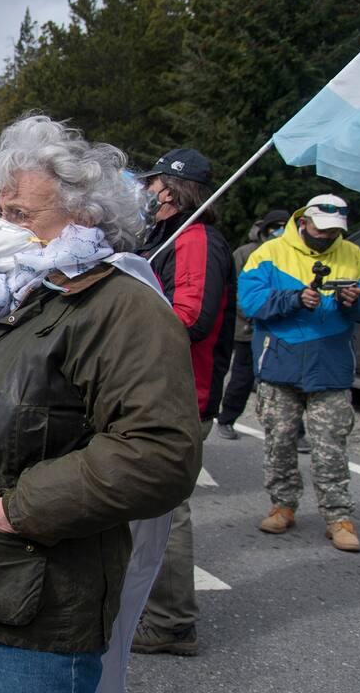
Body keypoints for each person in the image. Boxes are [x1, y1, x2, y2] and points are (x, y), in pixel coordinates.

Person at [0, 115, 202, 693]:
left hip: (36, 598)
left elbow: (158, 455)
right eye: (1, 211)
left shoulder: (120, 308)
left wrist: (13, 511)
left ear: (85, 218)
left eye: (20, 216)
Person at [133, 148, 235, 657]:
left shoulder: (194, 238)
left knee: (163, 508)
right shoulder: (166, 237)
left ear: (172, 192)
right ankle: (152, 609)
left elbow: (188, 318)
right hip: (160, 389)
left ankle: (172, 622)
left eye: (151, 186)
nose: (146, 195)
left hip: (180, 395)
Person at [239, 194, 360, 553]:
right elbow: (249, 302)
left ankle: (338, 518)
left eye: (334, 232)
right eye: (322, 229)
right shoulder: (267, 253)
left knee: (331, 445)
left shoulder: (354, 256)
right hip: (279, 363)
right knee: (280, 441)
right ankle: (283, 506)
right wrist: (294, 299)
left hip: (330, 367)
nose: (328, 236)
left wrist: (356, 301)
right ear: (304, 221)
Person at [215, 209, 289, 440]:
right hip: (246, 327)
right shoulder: (245, 254)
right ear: (264, 228)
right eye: (275, 226)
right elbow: (234, 290)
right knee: (242, 377)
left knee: (287, 380)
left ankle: (295, 431)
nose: (279, 231)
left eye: (284, 226)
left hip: (280, 327)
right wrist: (251, 314)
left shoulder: (289, 255)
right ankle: (227, 419)